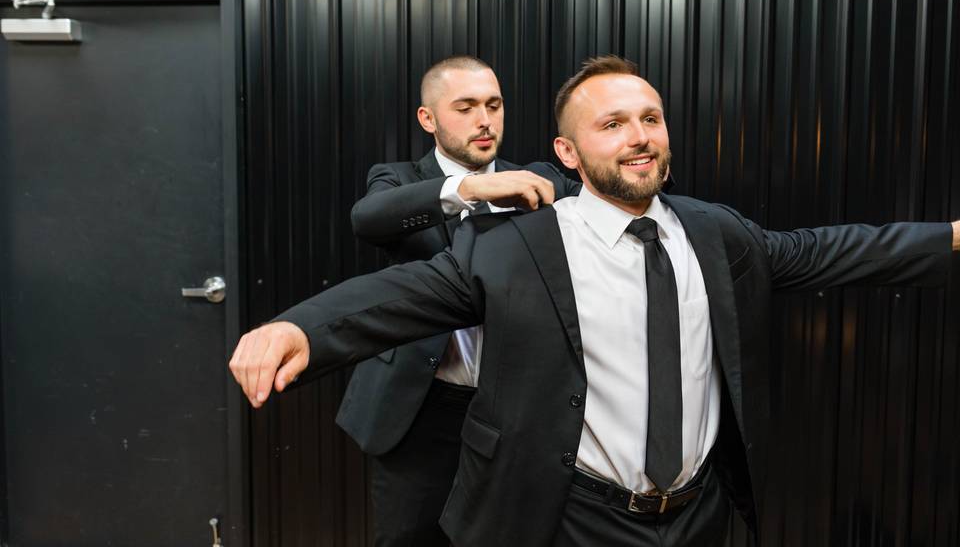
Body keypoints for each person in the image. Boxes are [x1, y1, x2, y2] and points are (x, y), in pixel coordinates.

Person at [230, 56, 959, 547]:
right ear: (568, 153)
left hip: (700, 513)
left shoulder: (718, 234)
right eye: (612, 125)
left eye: (650, 118)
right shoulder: (520, 244)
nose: (639, 137)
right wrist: (298, 327)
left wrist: (952, 239)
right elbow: (410, 291)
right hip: (576, 518)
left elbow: (835, 248)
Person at [338, 55, 580, 546]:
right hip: (419, 408)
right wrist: (468, 188)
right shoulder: (399, 178)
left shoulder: (538, 179)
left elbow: (611, 199)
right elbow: (369, 218)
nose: (485, 120)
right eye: (465, 107)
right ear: (428, 119)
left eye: (493, 105)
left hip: (512, 411)